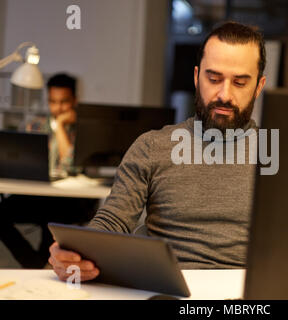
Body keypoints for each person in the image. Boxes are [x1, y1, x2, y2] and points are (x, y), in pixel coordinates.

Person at [49, 21, 267, 281]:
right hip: (166, 288)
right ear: (197, 77)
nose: (224, 95)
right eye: (214, 78)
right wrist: (77, 252)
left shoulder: (279, 154)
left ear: (259, 86)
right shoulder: (152, 146)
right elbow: (113, 221)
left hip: (245, 292)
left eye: (240, 83)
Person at [0, 74, 98, 268]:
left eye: (64, 102)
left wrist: (60, 126)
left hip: (73, 200)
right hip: (39, 193)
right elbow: (20, 157)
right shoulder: (35, 124)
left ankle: (37, 265)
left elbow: (71, 165)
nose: (58, 108)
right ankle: (35, 264)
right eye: (52, 101)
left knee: (53, 219)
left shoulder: (86, 129)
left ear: (75, 101)